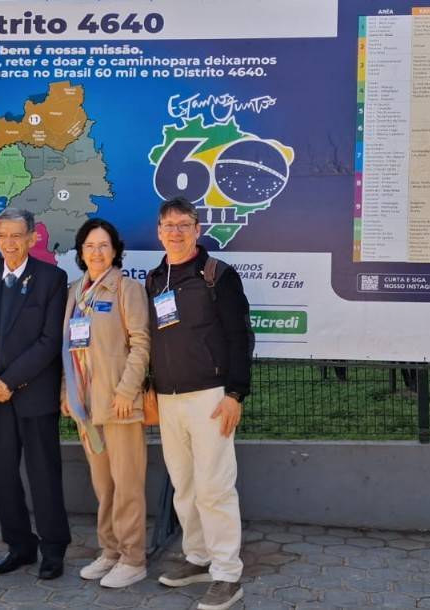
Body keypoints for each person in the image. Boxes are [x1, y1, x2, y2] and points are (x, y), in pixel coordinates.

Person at [146, 197, 253, 610]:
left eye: (183, 224)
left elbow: (240, 337)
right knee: (185, 488)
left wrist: (235, 393)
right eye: (168, 225)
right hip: (169, 400)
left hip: (211, 397)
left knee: (214, 487)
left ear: (197, 229)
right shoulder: (154, 280)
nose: (175, 231)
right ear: (158, 232)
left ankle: (228, 574)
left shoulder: (217, 275)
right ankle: (199, 557)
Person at [0, 208, 71, 579]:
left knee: (44, 474)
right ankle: (19, 547)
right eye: (2, 236)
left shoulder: (52, 279)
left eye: (15, 236)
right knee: (3, 476)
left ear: (32, 238)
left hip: (32, 395)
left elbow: (48, 341)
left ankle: (53, 549)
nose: (8, 244)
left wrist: (8, 382)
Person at [60, 218, 150, 588]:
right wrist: (67, 392)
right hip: (86, 407)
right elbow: (67, 349)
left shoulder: (127, 289)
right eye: (89, 246)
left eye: (103, 246)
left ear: (115, 251)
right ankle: (110, 551)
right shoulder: (74, 291)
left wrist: (127, 392)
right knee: (104, 485)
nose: (96, 252)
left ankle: (134, 558)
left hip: (119, 405)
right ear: (81, 253)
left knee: (127, 483)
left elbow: (141, 344)